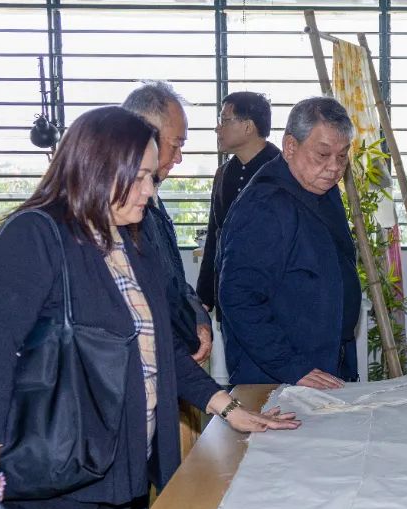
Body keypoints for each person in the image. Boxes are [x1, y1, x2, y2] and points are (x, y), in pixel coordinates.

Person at [0, 106, 299, 509]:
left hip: (120, 463)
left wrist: (226, 406)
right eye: (139, 177)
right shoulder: (34, 236)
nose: (149, 191)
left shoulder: (128, 240)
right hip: (56, 466)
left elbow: (159, 349)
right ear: (94, 167)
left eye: (152, 177)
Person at [218, 96, 359, 388]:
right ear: (291, 146)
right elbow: (239, 297)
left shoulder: (323, 189)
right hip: (281, 375)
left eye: (342, 156)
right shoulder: (266, 205)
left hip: (324, 363)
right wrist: (291, 366)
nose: (334, 167)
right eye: (322, 154)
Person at [122, 81, 212, 365]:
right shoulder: (117, 218)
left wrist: (200, 319)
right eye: (176, 144)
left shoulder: (153, 202)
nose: (179, 157)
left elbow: (175, 282)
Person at [197, 91, 280, 318]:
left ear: (248, 126)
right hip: (230, 298)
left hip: (273, 301)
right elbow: (214, 236)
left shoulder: (282, 170)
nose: (218, 129)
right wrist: (204, 298)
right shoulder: (223, 173)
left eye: (224, 120)